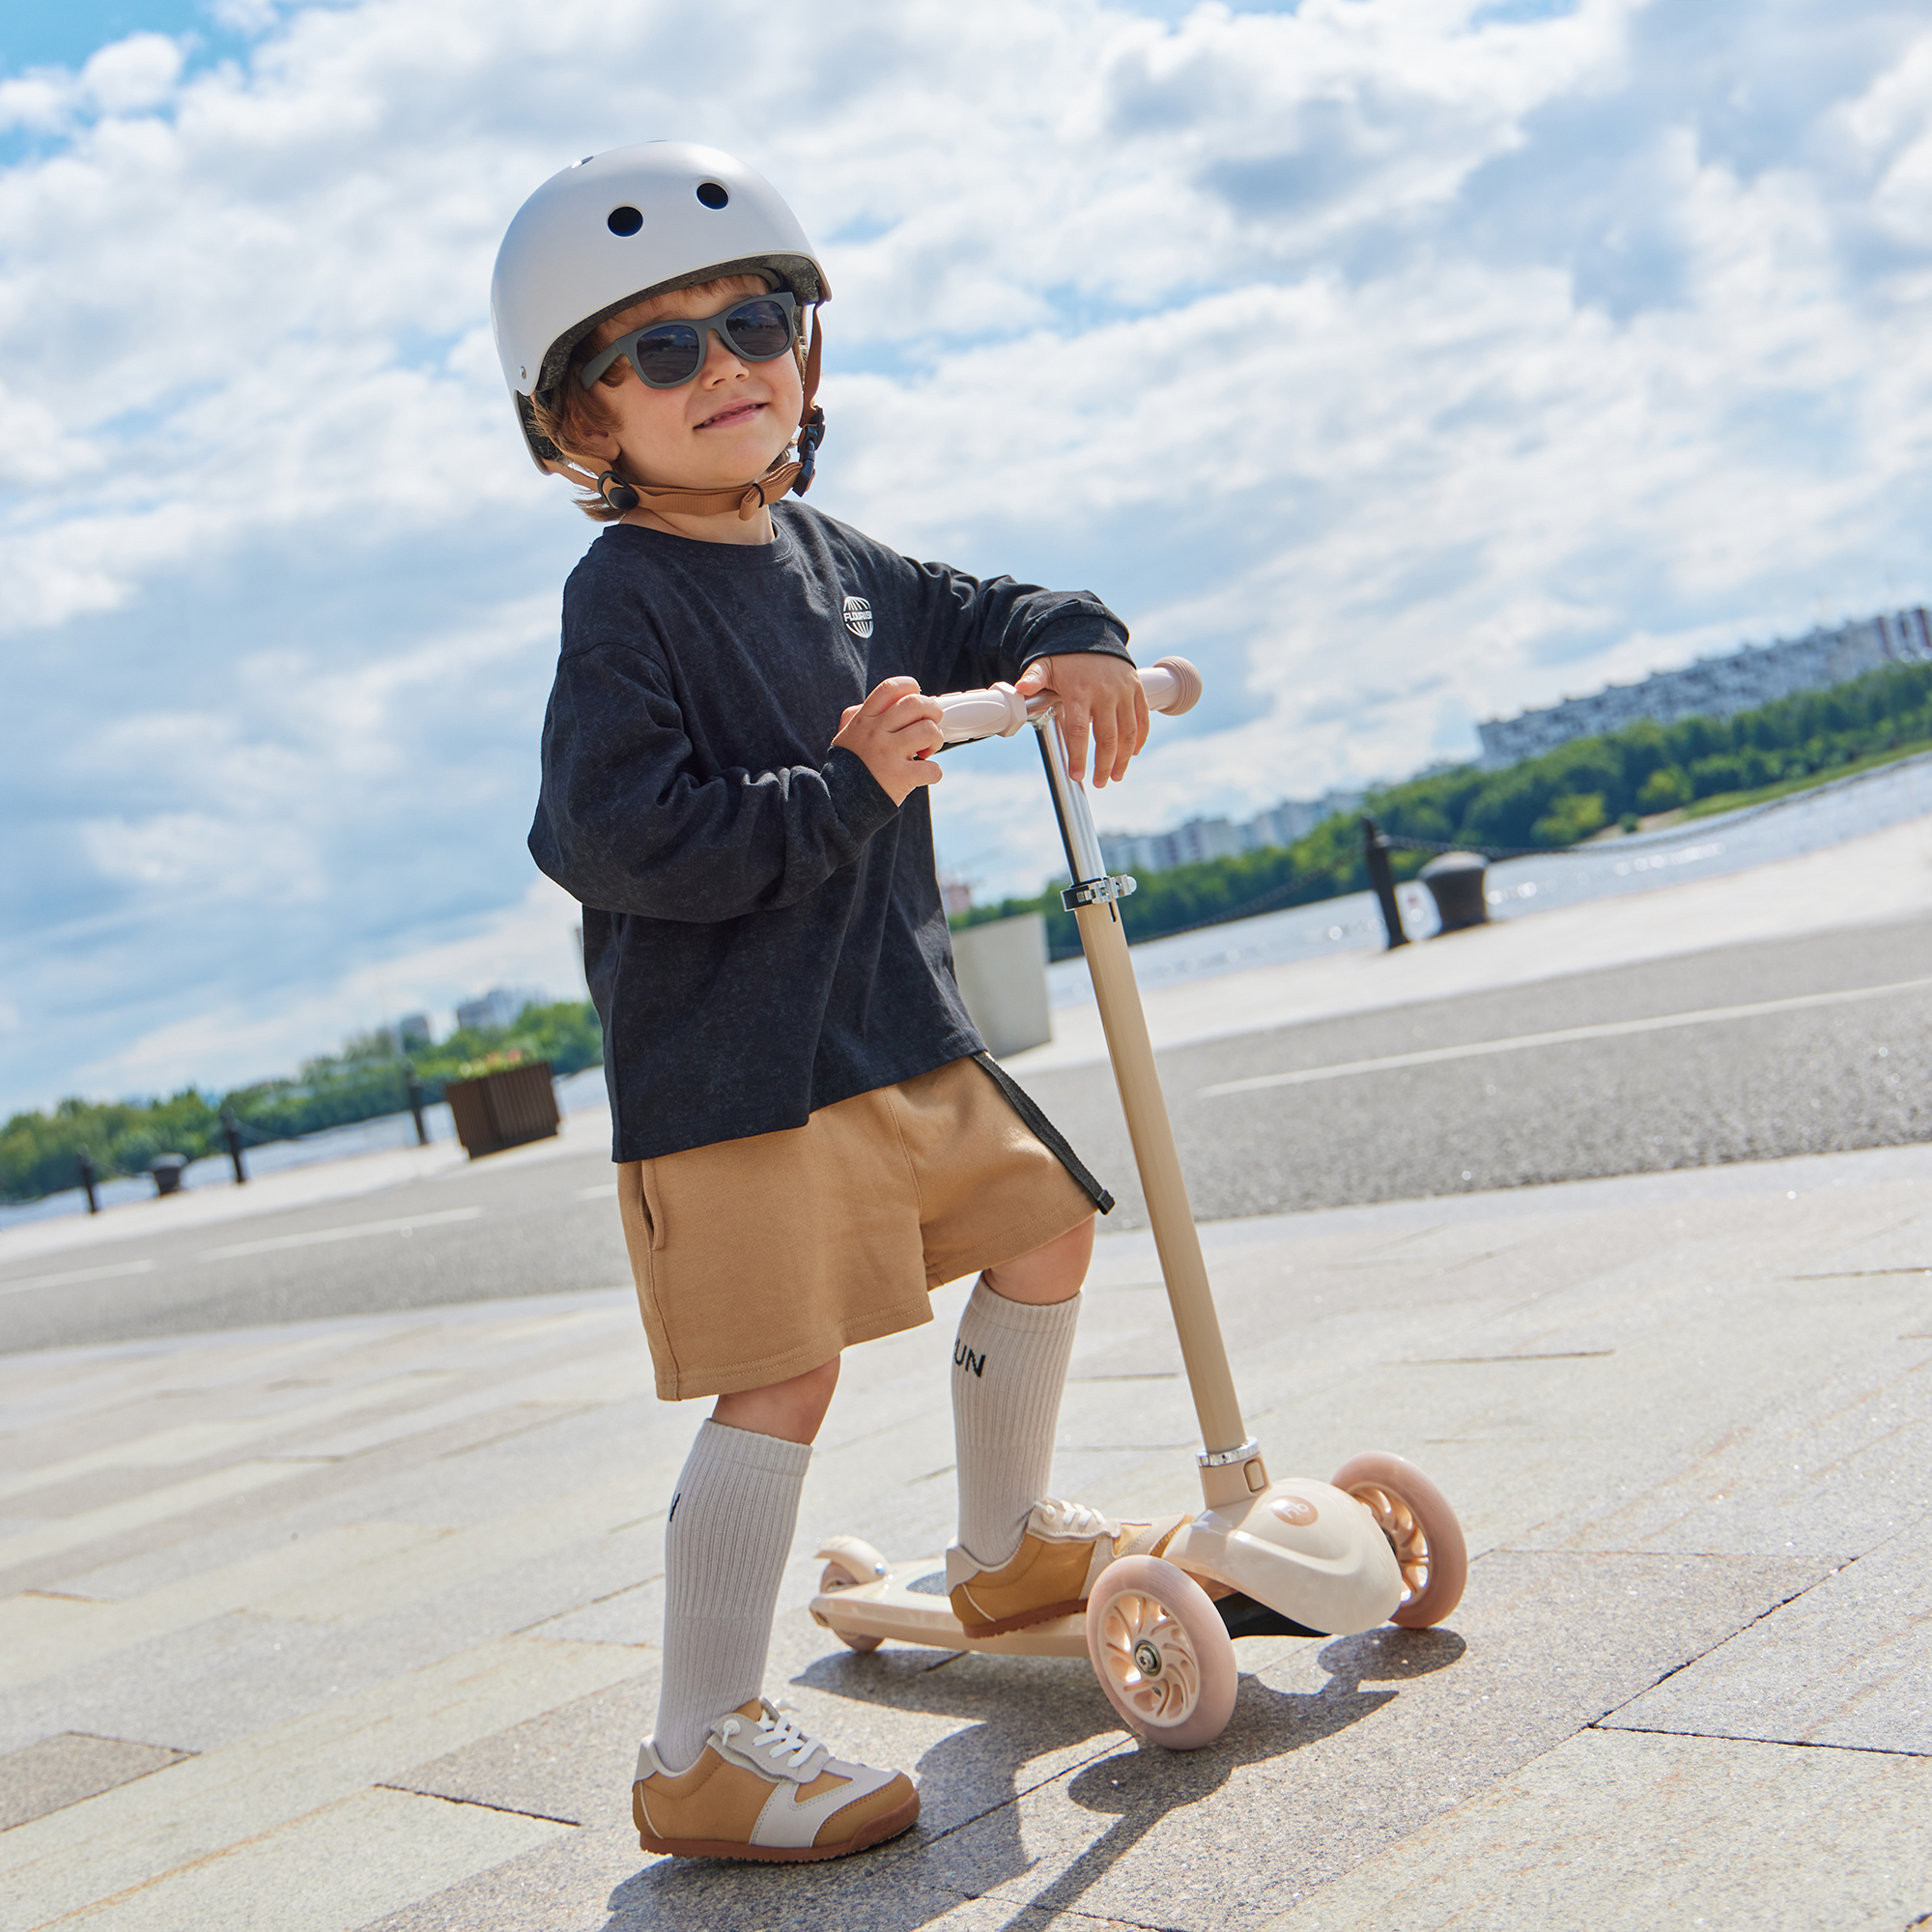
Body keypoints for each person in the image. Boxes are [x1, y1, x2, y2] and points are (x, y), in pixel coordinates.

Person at [493, 141, 1179, 1866]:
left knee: (1043, 1231)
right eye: (661, 351)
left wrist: (1078, 634)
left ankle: (1007, 1540)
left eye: (758, 320)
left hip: (898, 1029)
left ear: (808, 350)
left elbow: (987, 607)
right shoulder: (625, 598)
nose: (724, 365)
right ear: (584, 421)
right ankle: (697, 1746)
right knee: (780, 1378)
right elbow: (608, 834)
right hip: (736, 1076)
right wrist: (843, 793)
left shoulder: (825, 551)